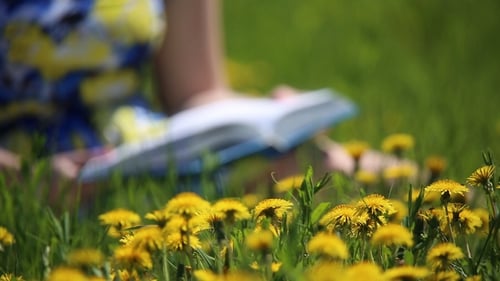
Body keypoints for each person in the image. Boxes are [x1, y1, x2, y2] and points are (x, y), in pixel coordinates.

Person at [0, 0, 408, 202]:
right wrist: (25, 179)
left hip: (146, 155)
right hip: (26, 173)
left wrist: (271, 115)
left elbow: (196, 91)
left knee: (341, 171)